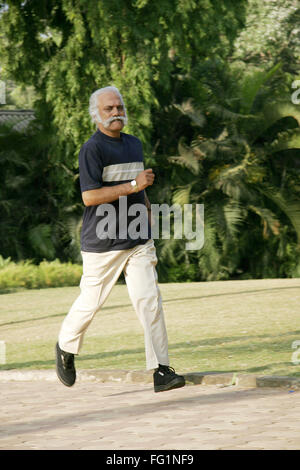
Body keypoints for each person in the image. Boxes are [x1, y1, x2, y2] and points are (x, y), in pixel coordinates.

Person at [55, 86, 185, 393]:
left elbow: (140, 187)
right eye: (109, 109)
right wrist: (131, 185)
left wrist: (148, 210)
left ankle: (161, 370)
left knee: (149, 301)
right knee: (90, 303)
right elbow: (89, 197)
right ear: (96, 114)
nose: (116, 112)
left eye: (119, 107)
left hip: (137, 237)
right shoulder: (92, 149)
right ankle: (65, 346)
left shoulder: (134, 144)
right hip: (103, 241)